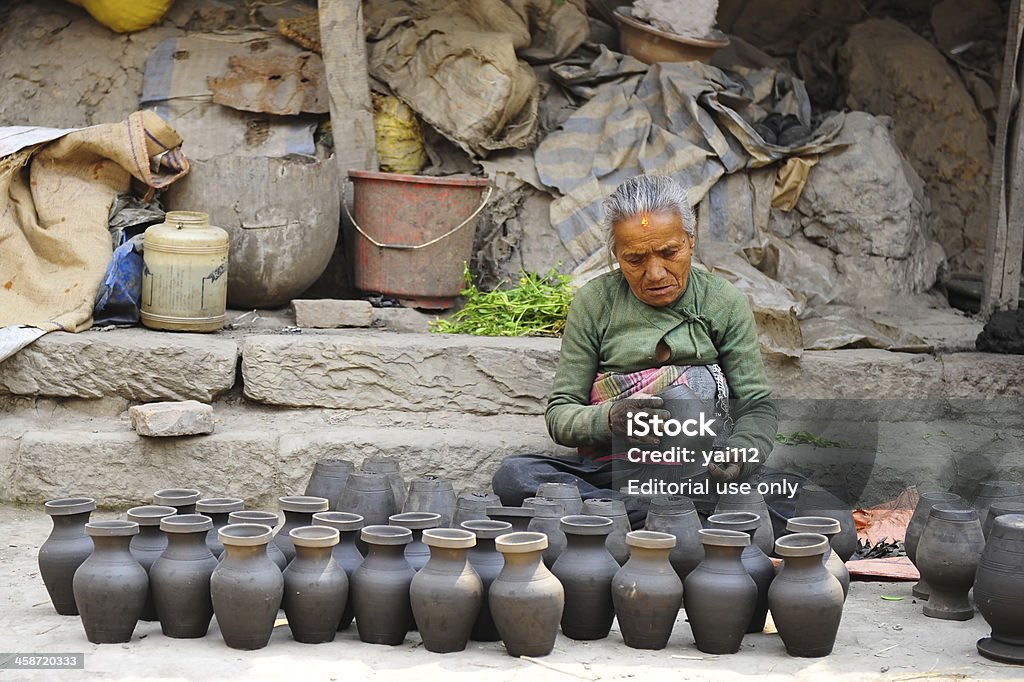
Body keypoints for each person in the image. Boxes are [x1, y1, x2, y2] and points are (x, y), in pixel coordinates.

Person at [492, 175, 802, 532]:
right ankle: (683, 522)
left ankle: (627, 521)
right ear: (616, 255)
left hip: (702, 473)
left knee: (818, 508)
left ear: (691, 241)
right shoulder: (594, 303)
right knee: (516, 476)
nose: (655, 273)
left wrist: (738, 455)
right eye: (635, 259)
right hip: (614, 472)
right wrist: (609, 420)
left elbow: (757, 406)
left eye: (670, 253)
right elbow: (560, 414)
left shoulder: (724, 302)